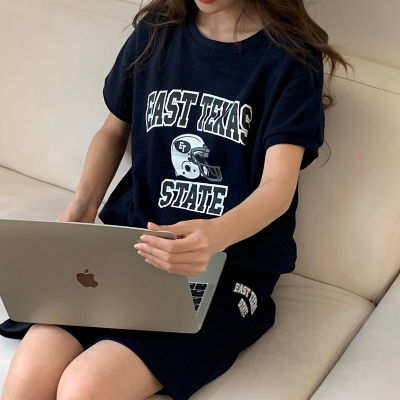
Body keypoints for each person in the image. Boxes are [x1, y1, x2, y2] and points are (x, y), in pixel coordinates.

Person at [0, 0, 349, 399]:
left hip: (226, 266)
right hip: (128, 249)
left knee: (84, 387)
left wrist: (214, 236)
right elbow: (113, 131)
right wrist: (82, 207)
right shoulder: (156, 31)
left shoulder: (291, 59)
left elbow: (278, 187)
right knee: (29, 374)